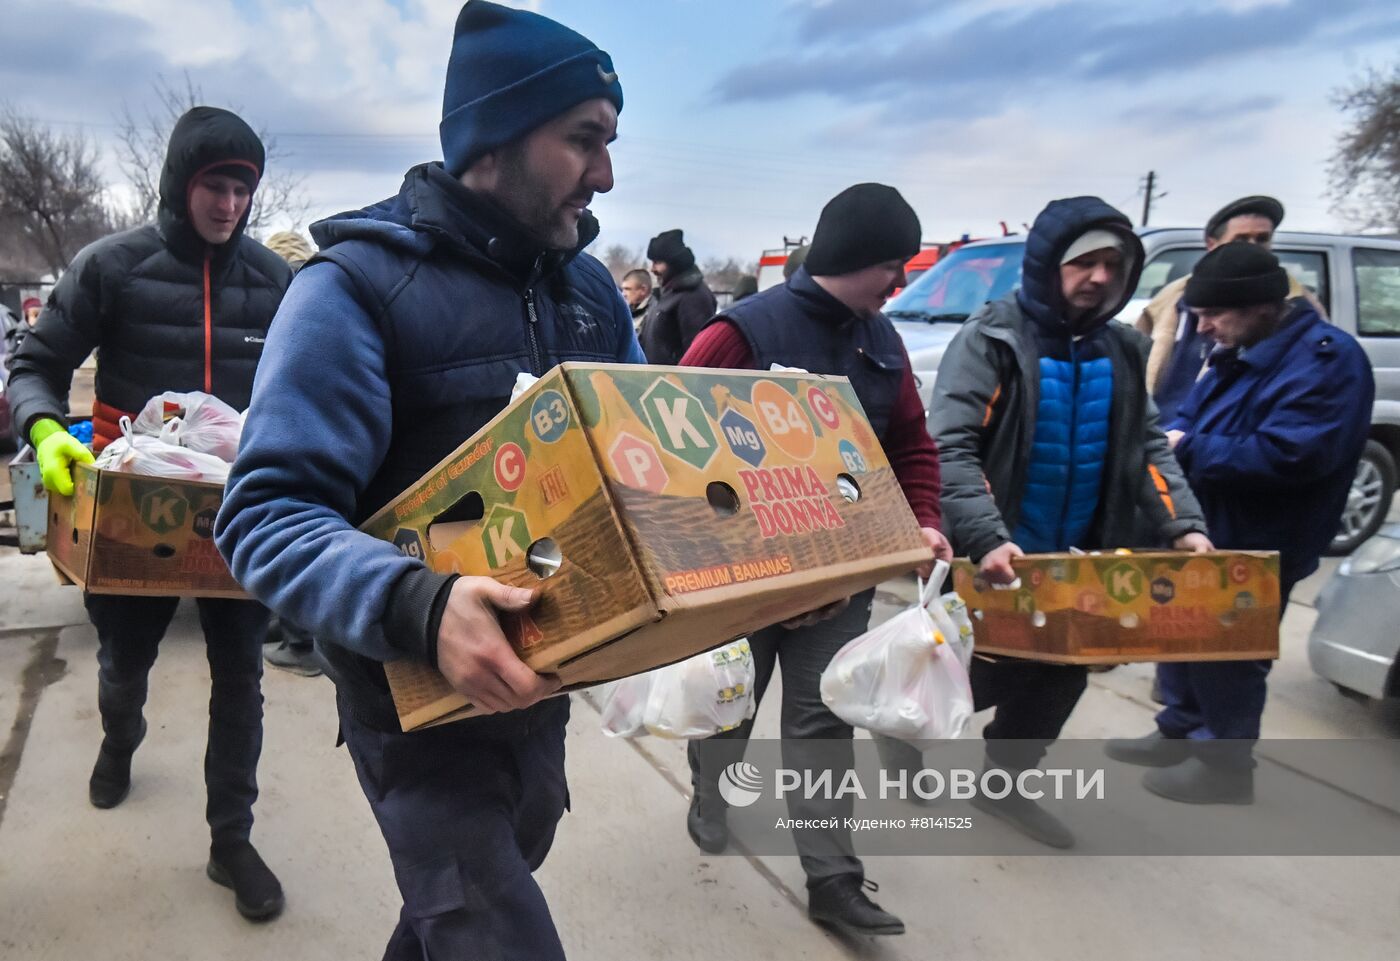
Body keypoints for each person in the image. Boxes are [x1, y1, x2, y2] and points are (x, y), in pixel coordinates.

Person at [215, 4, 641, 957]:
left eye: (611, 143)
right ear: (494, 135)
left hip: (540, 691)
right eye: (584, 140)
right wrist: (420, 604)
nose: (607, 174)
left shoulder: (594, 292)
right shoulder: (355, 288)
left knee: (469, 901)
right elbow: (264, 515)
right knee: (493, 931)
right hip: (411, 706)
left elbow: (640, 465)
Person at [6, 106, 291, 920]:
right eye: (215, 184)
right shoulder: (112, 266)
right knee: (124, 660)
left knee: (241, 676)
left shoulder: (276, 283)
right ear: (180, 183)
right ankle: (120, 735)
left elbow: (312, 385)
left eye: (243, 187)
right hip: (134, 509)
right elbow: (38, 361)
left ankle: (230, 838)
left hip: (240, 511)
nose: (230, 203)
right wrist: (46, 429)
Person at [681, 183, 952, 938]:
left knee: (826, 718)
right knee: (729, 705)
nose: (898, 283)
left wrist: (924, 520)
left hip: (842, 580)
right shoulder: (739, 333)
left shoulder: (882, 341)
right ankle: (712, 795)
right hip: (745, 580)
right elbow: (669, 441)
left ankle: (833, 878)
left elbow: (913, 449)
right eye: (892, 266)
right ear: (858, 258)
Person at [922, 196, 1212, 848]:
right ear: (1050, 263)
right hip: (996, 559)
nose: (1101, 277)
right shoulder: (991, 338)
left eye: (1115, 264)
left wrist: (1182, 524)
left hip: (1083, 563)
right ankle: (903, 735)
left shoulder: (1124, 351)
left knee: (1054, 686)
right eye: (1087, 262)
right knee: (968, 675)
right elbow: (952, 448)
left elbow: (1148, 448)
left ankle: (1005, 787)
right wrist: (988, 535)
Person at [1108, 244, 1373, 803]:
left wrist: (1190, 448)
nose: (1202, 328)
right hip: (1210, 524)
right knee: (1182, 635)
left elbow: (1291, 455)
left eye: (1212, 315)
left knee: (1229, 652)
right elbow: (1189, 415)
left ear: (1259, 306)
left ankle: (1224, 765)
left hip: (1262, 539)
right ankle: (1178, 729)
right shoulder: (1245, 347)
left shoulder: (1327, 361)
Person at [1136, 195, 1325, 422]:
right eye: (1242, 239)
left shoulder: (1291, 310)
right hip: (1164, 434)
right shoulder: (1172, 297)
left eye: (1262, 239)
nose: (1253, 248)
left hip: (1216, 439)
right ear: (1211, 245)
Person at [257, 229, 324, 678]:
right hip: (327, 432)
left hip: (301, 430)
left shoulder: (290, 298)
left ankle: (302, 644)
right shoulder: (323, 286)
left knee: (291, 525)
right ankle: (291, 630)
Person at [638, 227, 716, 363]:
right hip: (656, 379)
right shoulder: (665, 294)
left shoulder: (693, 297)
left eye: (657, 263)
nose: (652, 269)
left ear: (674, 263)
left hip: (673, 382)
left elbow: (697, 353)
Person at [620, 266, 652, 332]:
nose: (623, 294)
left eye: (627, 289)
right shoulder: (627, 311)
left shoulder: (653, 314)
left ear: (643, 290)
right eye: (623, 289)